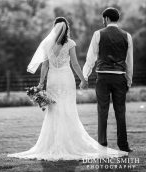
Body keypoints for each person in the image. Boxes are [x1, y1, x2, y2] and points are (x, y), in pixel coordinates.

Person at [8, 17, 128, 161]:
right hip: (66, 79)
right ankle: (68, 143)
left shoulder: (47, 45)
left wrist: (41, 84)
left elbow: (45, 66)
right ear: (67, 29)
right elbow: (75, 65)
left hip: (52, 80)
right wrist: (83, 79)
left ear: (54, 28)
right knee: (68, 110)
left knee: (53, 111)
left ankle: (52, 144)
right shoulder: (70, 43)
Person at [83, 7, 133, 152]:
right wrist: (129, 80)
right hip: (120, 78)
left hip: (103, 77)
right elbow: (129, 61)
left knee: (102, 111)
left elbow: (90, 57)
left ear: (106, 19)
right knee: (120, 112)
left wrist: (85, 76)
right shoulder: (127, 36)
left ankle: (102, 144)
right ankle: (123, 145)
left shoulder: (98, 34)